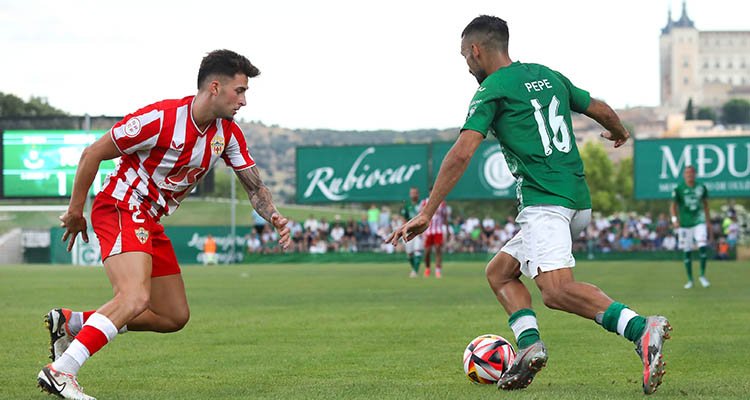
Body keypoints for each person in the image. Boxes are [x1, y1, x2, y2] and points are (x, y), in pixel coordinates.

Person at [386, 16, 670, 395]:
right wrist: (619, 132)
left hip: (545, 204)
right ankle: (529, 347)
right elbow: (598, 108)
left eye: (464, 57)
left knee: (555, 291)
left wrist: (427, 211)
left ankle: (640, 328)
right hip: (576, 201)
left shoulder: (492, 89)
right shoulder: (548, 75)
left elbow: (462, 152)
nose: (466, 66)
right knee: (500, 273)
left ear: (475, 50)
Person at [38, 49, 292, 400]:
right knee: (135, 296)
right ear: (215, 88)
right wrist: (76, 210)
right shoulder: (159, 118)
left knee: (173, 316)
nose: (244, 101)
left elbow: (255, 186)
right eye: (240, 91)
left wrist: (273, 214)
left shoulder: (227, 134)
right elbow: (92, 153)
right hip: (120, 206)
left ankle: (73, 322)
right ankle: (61, 370)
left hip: (149, 218)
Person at [671, 165, 712, 289]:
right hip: (684, 224)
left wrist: (708, 221)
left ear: (695, 174)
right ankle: (690, 279)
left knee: (702, 246)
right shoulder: (679, 188)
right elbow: (673, 206)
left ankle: (702, 276)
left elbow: (705, 205)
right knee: (687, 251)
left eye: (691, 173)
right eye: (687, 173)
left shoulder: (701, 187)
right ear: (684, 175)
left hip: (699, 221)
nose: (689, 175)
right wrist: (674, 220)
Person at [420, 188, 449, 278]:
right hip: (428, 231)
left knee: (438, 249)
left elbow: (445, 217)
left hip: (438, 230)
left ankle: (438, 270)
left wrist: (447, 229)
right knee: (427, 251)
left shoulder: (442, 203)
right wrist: (420, 230)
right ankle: (427, 268)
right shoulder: (425, 202)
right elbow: (421, 216)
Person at [400, 187, 424, 277]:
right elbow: (403, 218)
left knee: (417, 250)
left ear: (418, 194)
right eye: (412, 193)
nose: (413, 194)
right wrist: (404, 230)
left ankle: (415, 271)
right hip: (409, 231)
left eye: (415, 193)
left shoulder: (422, 204)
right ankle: (414, 269)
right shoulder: (407, 205)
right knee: (409, 253)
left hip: (418, 231)